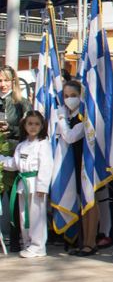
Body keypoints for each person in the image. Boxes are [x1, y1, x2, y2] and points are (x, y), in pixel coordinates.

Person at [55, 80, 99, 255]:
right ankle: (83, 240)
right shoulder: (69, 116)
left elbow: (71, 136)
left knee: (90, 201)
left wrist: (60, 119)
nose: (69, 99)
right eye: (66, 96)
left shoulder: (83, 115)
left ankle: (91, 241)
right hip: (72, 163)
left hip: (86, 162)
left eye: (73, 96)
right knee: (82, 202)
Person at [0, 111, 53, 257]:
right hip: (23, 183)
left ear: (42, 126)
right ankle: (27, 243)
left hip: (36, 183)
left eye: (37, 124)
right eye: (30, 123)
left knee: (37, 215)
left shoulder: (43, 144)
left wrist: (43, 186)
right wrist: (1, 160)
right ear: (24, 125)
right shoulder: (21, 145)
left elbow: (46, 166)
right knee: (24, 216)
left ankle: (38, 246)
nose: (33, 127)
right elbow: (14, 164)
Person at [0, 65, 28, 252]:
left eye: (6, 80)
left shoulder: (21, 102)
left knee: (13, 198)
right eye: (0, 80)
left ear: (13, 81)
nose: (2, 84)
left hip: (13, 151)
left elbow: (29, 128)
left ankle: (16, 239)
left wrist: (10, 129)